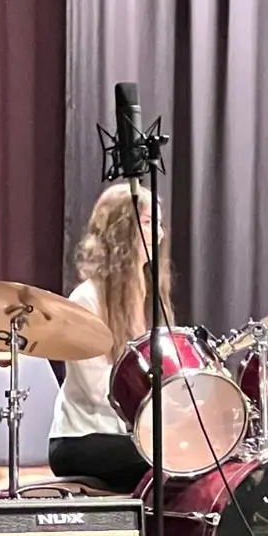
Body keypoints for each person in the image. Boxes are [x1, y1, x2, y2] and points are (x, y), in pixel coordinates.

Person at [47, 182, 173, 493]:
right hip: (83, 439)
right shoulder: (86, 300)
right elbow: (98, 390)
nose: (159, 233)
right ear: (121, 232)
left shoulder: (145, 295)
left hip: (132, 434)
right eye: (148, 222)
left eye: (158, 223)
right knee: (171, 458)